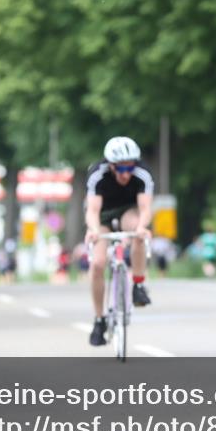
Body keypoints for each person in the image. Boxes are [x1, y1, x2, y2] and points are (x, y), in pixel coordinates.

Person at [85, 136, 154, 347]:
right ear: (111, 165)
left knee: (138, 234)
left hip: (128, 211)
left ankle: (139, 285)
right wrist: (94, 230)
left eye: (129, 167)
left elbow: (145, 209)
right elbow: (93, 210)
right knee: (97, 263)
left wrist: (142, 227)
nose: (126, 174)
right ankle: (99, 319)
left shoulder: (142, 173)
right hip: (103, 215)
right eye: (120, 169)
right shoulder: (98, 173)